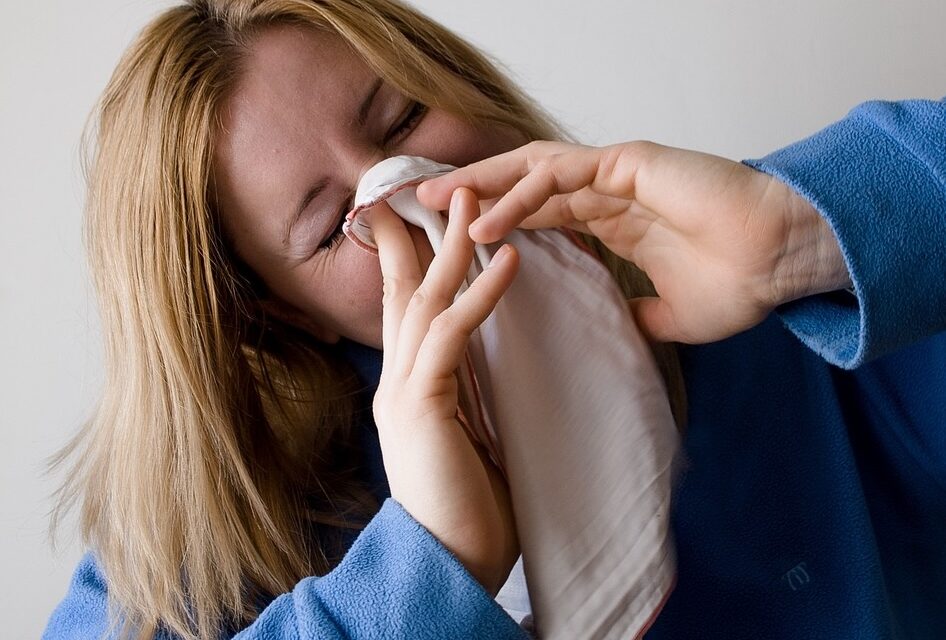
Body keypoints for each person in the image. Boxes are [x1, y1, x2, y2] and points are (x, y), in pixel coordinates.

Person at [43, 0, 945, 638]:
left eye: (402, 118)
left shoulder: (788, 294)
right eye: (331, 229)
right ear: (285, 312)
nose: (408, 194)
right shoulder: (229, 527)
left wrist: (800, 236)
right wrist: (433, 562)